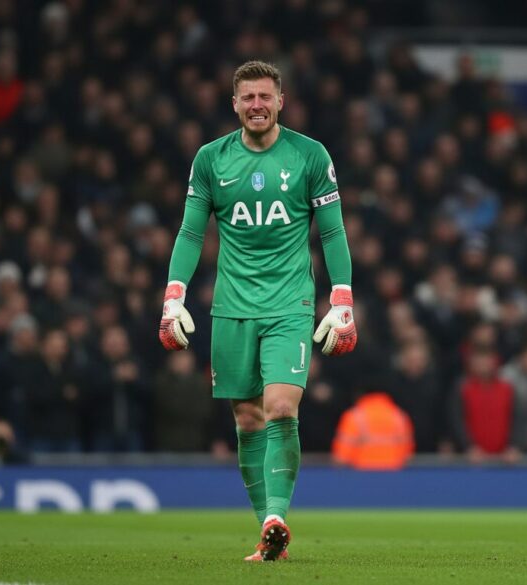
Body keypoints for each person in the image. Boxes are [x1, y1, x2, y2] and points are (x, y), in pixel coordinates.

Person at [158, 61, 355, 562]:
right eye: (247, 98)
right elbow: (190, 232)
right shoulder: (210, 159)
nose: (257, 106)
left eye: (265, 97)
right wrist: (174, 295)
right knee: (247, 421)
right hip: (232, 308)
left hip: (290, 304)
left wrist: (343, 299)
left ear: (281, 101)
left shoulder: (310, 156)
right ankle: (267, 535)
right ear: (234, 105)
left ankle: (277, 517)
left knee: (282, 409)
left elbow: (331, 231)